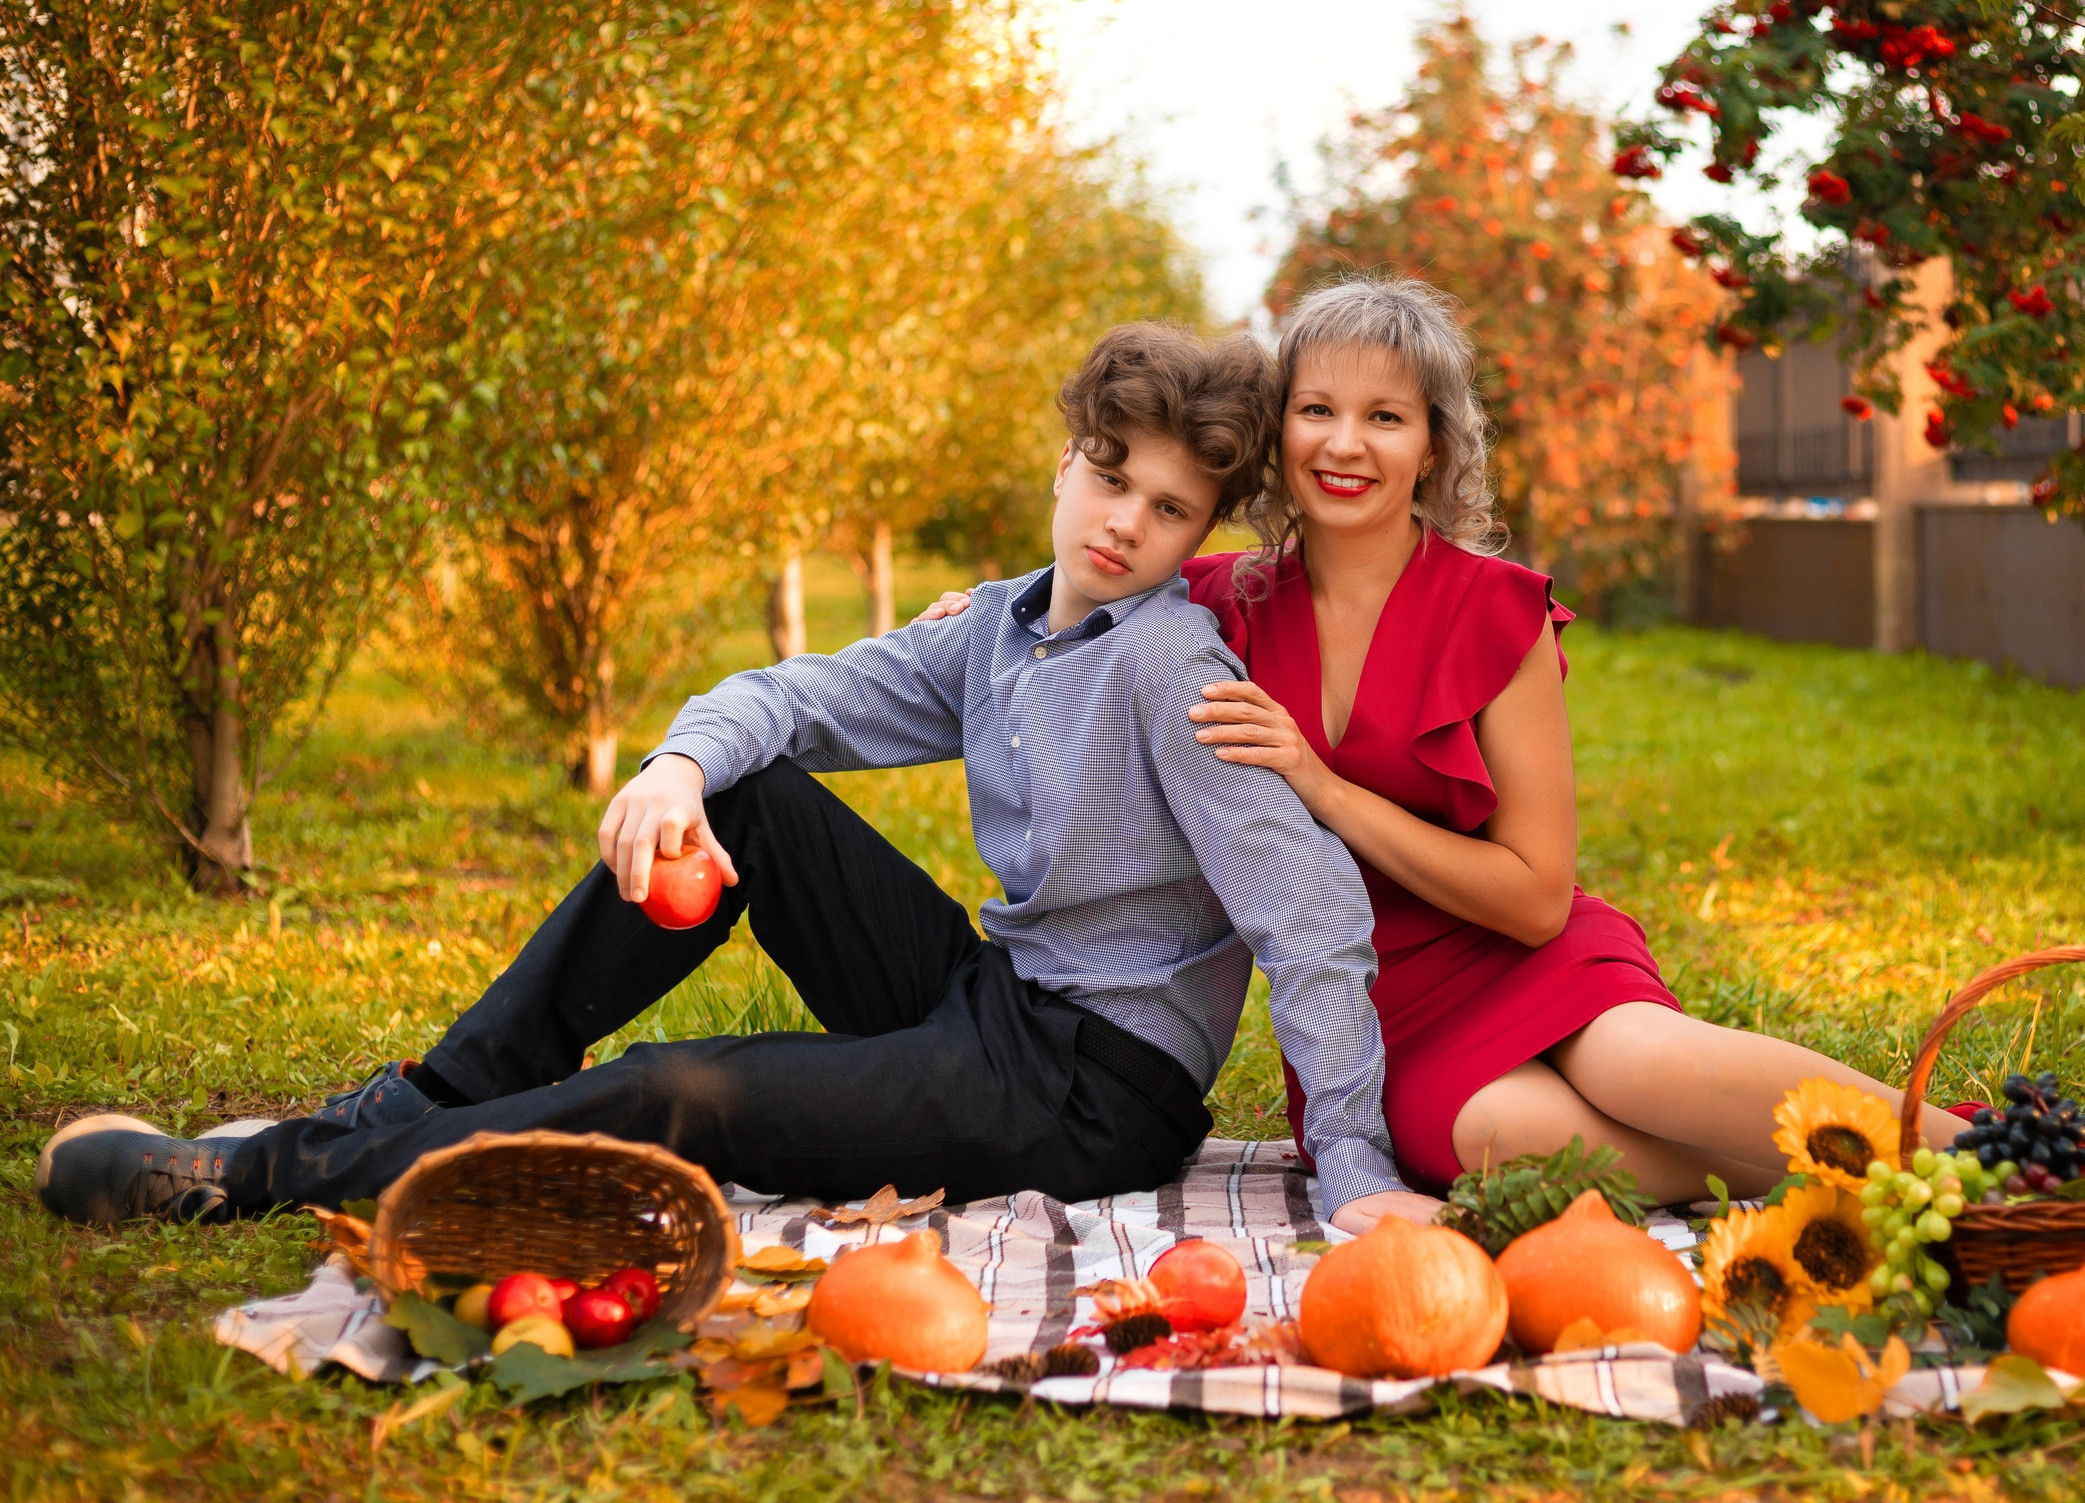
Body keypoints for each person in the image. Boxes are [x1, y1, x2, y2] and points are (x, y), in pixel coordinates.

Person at [39, 324, 1444, 1236]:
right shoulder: (1008, 620)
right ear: (1067, 459)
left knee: (680, 1091)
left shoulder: (1172, 667)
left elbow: (1309, 912)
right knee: (752, 788)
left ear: (1203, 528)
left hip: (1092, 1093)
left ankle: (265, 1174)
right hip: (990, 999)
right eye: (1108, 474)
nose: (1126, 521)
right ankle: (437, 1091)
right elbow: (799, 695)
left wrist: (1363, 1175)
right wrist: (675, 767)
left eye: (1170, 507)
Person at [926, 278, 1961, 1201]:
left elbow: (1535, 894)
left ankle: (1997, 1166)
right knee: (1502, 1139)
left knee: (1640, 1065)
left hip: (1521, 951)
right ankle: (1860, 1190)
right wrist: (978, 610)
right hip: (1363, 1010)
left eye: (1384, 416)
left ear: (1433, 442)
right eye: (1316, 409)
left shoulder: (1491, 613)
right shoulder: (1217, 599)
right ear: (1276, 432)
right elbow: (1087, 576)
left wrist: (1325, 791)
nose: (1344, 443)